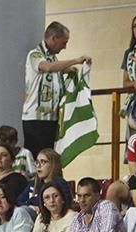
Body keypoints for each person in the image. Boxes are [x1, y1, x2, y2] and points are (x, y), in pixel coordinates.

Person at [24, 22, 90, 155]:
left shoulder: (52, 57)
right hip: (36, 118)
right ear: (53, 38)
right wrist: (76, 60)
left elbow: (53, 70)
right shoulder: (35, 54)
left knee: (50, 157)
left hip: (51, 117)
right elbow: (47, 67)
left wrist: (67, 70)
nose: (65, 47)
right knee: (37, 156)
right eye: (64, 42)